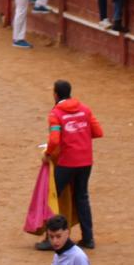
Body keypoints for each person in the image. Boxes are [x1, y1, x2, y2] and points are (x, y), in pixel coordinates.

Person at [46, 81, 102, 250]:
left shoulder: (55, 113)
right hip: (85, 161)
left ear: (55, 95)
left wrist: (48, 154)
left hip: (67, 161)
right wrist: (79, 135)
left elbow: (55, 140)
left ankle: (50, 238)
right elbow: (98, 132)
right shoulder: (85, 109)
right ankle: (88, 238)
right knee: (82, 197)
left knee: (53, 196)